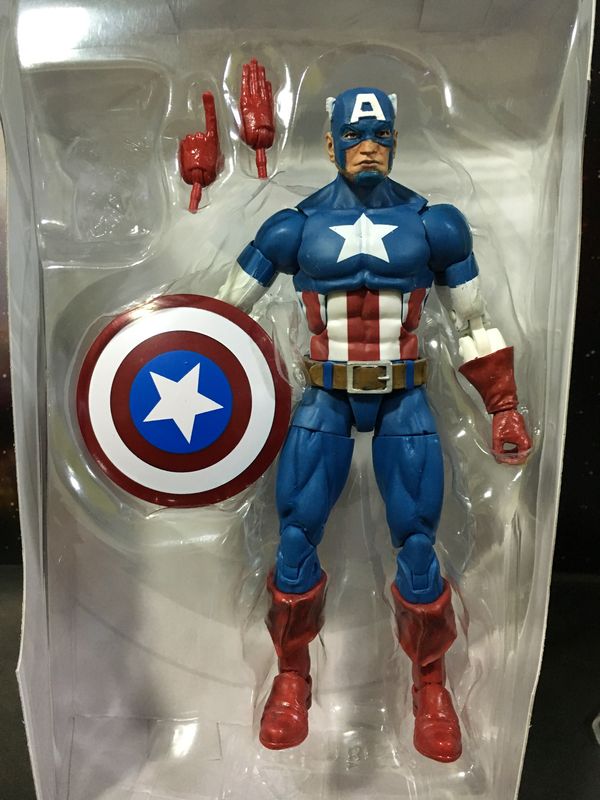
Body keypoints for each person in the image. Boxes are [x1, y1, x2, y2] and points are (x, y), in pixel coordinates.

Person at [217, 86, 531, 762]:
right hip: (325, 397)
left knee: (418, 546)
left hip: (403, 398)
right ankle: (291, 678)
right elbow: (217, 320)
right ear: (329, 142)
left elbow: (474, 323)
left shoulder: (435, 226)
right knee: (294, 539)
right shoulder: (292, 229)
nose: (367, 147)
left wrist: (503, 405)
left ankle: (431, 687)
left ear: (394, 141)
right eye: (354, 136)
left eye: (380, 135)